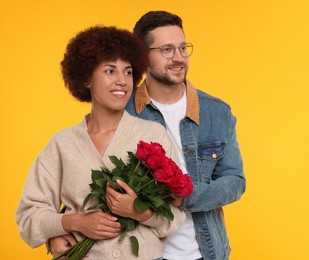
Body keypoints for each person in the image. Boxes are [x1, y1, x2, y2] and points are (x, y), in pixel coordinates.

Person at [15, 25, 185, 260]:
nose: (122, 81)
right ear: (86, 79)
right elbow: (28, 216)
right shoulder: (62, 144)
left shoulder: (153, 136)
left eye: (127, 72)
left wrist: (141, 212)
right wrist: (73, 222)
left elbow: (175, 217)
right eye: (110, 71)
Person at [126, 11, 246, 260]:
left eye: (183, 48)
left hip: (207, 251)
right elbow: (86, 174)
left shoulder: (216, 111)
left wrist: (185, 196)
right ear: (142, 56)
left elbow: (235, 180)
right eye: (167, 50)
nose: (179, 58)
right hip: (144, 253)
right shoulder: (123, 112)